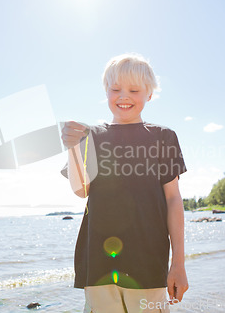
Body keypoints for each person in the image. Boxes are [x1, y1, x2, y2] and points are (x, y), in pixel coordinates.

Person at [61, 53, 188, 313]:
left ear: (149, 94)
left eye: (134, 89)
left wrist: (178, 264)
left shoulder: (163, 137)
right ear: (106, 92)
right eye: (115, 89)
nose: (123, 96)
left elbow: (173, 199)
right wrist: (72, 149)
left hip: (149, 263)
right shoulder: (91, 137)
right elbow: (81, 190)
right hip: (98, 266)